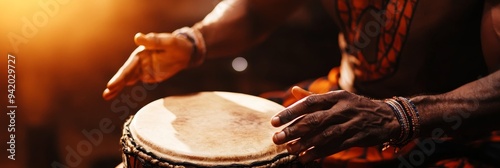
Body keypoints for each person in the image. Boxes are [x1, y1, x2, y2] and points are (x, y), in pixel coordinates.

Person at [103, 0, 500, 167]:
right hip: (344, 107)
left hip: (451, 132)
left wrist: (399, 116)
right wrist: (195, 40)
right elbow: (259, 11)